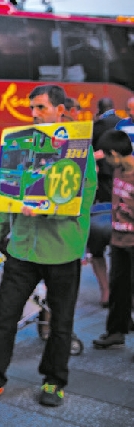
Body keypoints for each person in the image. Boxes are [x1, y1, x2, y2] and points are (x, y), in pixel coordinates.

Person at [0, 84, 97, 407]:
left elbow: (84, 196)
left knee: (61, 321)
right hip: (22, 248)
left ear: (59, 109)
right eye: (32, 108)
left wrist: (49, 206)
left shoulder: (79, 148)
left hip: (63, 249)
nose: (34, 114)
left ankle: (54, 381)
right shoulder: (19, 143)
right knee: (3, 315)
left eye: (41, 108)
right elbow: (6, 196)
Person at [92, 129, 134, 350]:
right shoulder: (118, 169)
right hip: (118, 240)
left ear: (115, 154)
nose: (107, 161)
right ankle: (116, 331)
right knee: (118, 288)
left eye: (107, 156)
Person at [88, 98, 121, 306]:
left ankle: (106, 291)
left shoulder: (96, 126)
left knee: (97, 249)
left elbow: (88, 155)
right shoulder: (123, 123)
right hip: (119, 194)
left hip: (102, 190)